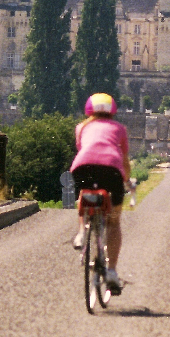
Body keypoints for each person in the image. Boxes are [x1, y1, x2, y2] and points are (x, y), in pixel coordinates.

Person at [70, 93, 130, 293]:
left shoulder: (81, 127)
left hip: (82, 167)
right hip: (111, 169)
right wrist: (126, 180)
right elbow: (125, 160)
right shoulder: (120, 129)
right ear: (112, 110)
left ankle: (81, 233)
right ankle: (111, 271)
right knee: (114, 221)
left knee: (83, 195)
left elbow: (83, 150)